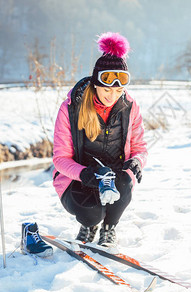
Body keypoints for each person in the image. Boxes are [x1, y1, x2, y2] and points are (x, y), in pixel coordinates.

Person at [21, 32, 147, 255]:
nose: (113, 96)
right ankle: (90, 226)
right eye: (107, 89)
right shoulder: (72, 107)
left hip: (114, 177)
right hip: (78, 178)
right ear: (96, 83)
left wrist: (137, 161)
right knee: (92, 212)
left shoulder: (129, 106)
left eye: (119, 90)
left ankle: (109, 230)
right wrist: (86, 174)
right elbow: (60, 159)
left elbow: (139, 147)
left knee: (125, 184)